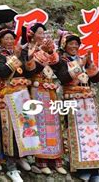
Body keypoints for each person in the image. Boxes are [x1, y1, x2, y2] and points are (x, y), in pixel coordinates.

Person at [51, 32, 99, 182]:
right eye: (71, 43)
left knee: (92, 134)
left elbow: (96, 79)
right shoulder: (61, 60)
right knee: (75, 134)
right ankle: (79, 168)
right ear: (64, 45)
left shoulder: (82, 58)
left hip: (87, 100)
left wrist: (90, 64)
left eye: (76, 43)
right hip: (71, 99)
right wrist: (80, 65)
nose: (74, 46)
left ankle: (94, 169)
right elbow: (63, 78)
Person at [0, 29, 42, 182]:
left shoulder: (20, 54)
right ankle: (10, 166)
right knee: (9, 131)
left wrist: (30, 58)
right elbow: (2, 72)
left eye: (11, 39)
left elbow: (28, 74)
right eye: (6, 39)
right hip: (6, 98)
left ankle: (22, 156)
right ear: (0, 41)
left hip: (22, 96)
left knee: (25, 128)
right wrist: (16, 57)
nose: (9, 41)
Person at [21, 23, 66, 175]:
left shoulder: (46, 49)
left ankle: (56, 159)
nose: (42, 35)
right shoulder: (27, 48)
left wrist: (51, 50)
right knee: (40, 123)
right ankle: (41, 160)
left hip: (50, 89)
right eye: (40, 33)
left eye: (43, 33)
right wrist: (40, 53)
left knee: (53, 123)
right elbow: (30, 69)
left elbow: (57, 63)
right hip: (37, 88)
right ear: (32, 35)